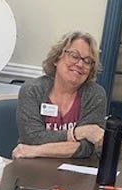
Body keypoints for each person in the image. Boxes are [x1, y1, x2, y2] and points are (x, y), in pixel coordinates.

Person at [14, 31, 107, 159]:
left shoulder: (95, 95)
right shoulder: (32, 90)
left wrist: (34, 151)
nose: (80, 64)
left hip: (76, 170)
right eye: (74, 56)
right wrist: (78, 133)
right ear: (57, 59)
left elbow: (87, 148)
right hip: (32, 167)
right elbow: (32, 138)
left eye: (87, 61)